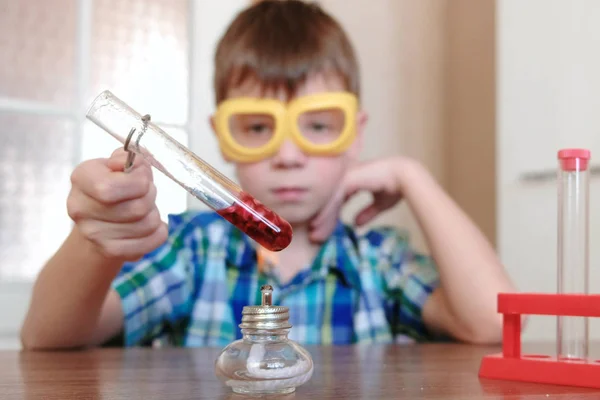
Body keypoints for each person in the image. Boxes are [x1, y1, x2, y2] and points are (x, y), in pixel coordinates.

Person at [20, 0, 515, 350]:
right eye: (257, 127)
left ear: (354, 135)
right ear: (221, 135)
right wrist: (96, 244)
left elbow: (495, 324)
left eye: (319, 126)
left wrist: (413, 177)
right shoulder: (191, 251)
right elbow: (48, 335)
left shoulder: (376, 260)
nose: (288, 155)